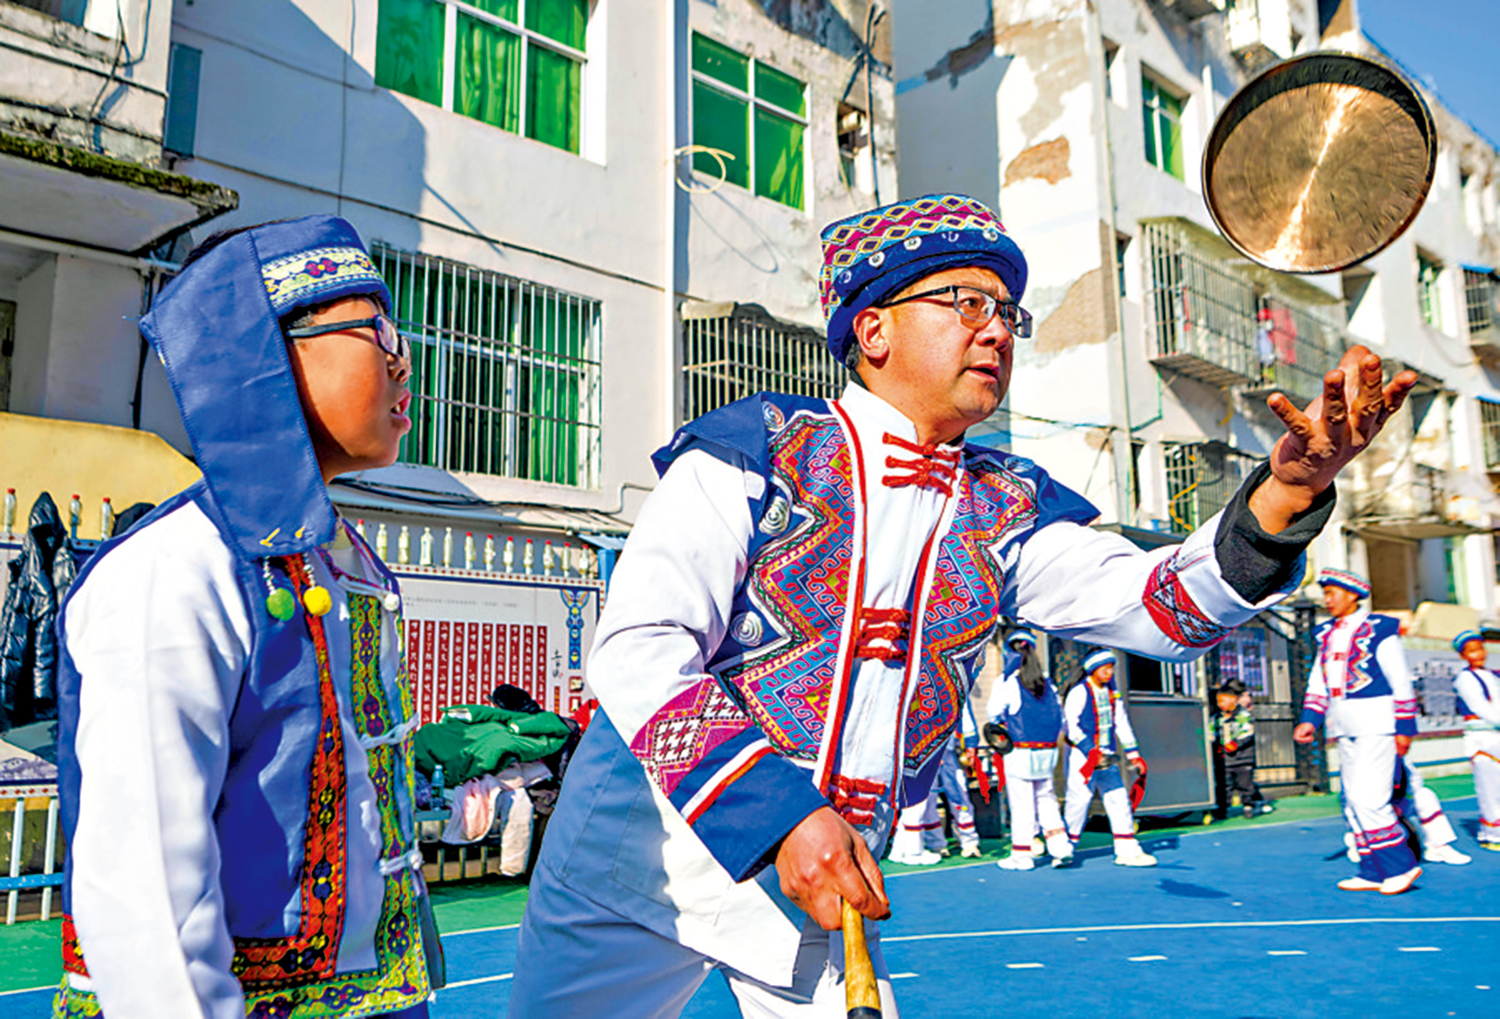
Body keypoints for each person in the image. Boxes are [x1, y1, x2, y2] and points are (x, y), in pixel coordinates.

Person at [507, 192, 1415, 1018]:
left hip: (825, 886)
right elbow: (638, 648)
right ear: (873, 329)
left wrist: (1284, 495)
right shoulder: (752, 451)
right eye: (965, 302)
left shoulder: (1010, 504)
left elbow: (1163, 606)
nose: (998, 332)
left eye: (1007, 313)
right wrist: (780, 814)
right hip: (637, 858)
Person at [53, 217, 440, 1017]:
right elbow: (147, 888)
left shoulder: (345, 563)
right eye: (378, 329)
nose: (404, 359)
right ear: (271, 355)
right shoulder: (174, 572)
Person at [1294, 568, 1422, 894]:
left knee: (1370, 799)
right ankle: (1372, 870)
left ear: (1353, 594)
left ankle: (1401, 867)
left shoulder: (1380, 630)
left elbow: (1401, 681)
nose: (1327, 599)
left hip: (1377, 724)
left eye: (1332, 592)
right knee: (1351, 801)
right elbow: (1318, 684)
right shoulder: (1326, 634)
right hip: (1345, 725)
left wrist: (1404, 727)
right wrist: (1311, 719)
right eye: (1325, 593)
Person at [986, 628, 1071, 870]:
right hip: (1048, 751)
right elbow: (1060, 717)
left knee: (1022, 803)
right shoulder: (1047, 681)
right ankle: (1060, 846)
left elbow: (993, 712)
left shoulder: (1008, 681)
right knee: (1047, 799)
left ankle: (1022, 855)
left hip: (1020, 751)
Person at [1062, 649, 1156, 866]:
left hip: (1107, 757)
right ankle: (1065, 848)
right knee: (1079, 801)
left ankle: (1127, 850)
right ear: (1093, 670)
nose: (1110, 672)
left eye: (1111, 667)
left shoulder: (1113, 693)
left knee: (1118, 799)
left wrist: (1134, 755)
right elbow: (1069, 726)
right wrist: (1089, 750)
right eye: (1106, 668)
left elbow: (1121, 723)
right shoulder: (1079, 692)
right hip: (1083, 757)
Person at [1452, 630, 1500, 850]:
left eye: (1480, 648)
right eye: (1471, 651)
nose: (1478, 653)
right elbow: (1480, 707)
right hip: (1481, 738)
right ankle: (1492, 834)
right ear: (1463, 656)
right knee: (1489, 788)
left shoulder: (1492, 676)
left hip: (1496, 735)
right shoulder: (1465, 679)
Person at [1213, 678, 1270, 818]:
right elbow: (1211, 732)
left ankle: (1249, 805)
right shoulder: (1217, 718)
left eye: (1223, 700)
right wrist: (1216, 745)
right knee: (1225, 785)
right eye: (1218, 701)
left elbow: (1247, 732)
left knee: (1245, 783)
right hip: (1226, 760)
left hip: (1243, 758)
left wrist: (1236, 744)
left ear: (1234, 699)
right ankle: (1222, 808)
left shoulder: (1243, 716)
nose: (1220, 704)